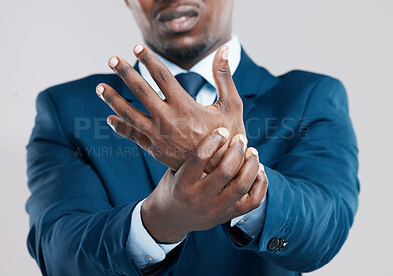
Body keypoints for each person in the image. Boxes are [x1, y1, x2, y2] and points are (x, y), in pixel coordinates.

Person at [26, 0, 359, 275]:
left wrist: (218, 163)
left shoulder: (308, 97)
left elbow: (324, 233)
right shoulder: (66, 110)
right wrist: (160, 219)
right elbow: (60, 254)